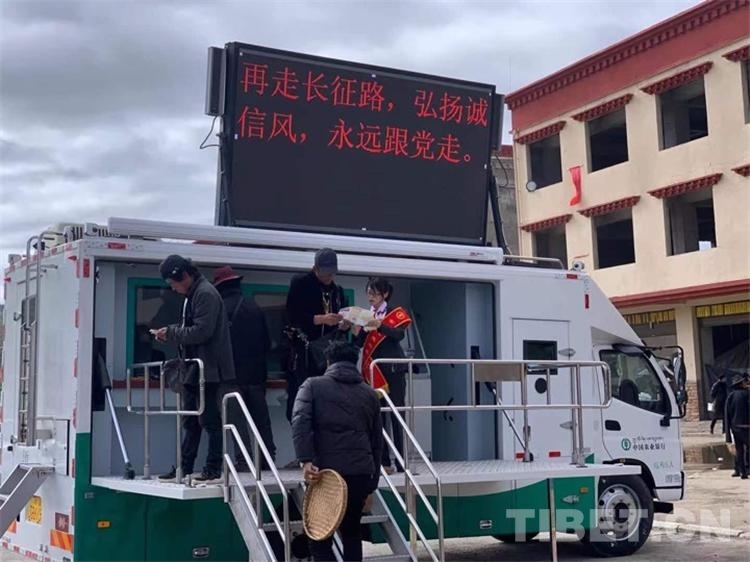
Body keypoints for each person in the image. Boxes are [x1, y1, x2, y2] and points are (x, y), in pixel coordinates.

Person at [291, 341, 382, 562]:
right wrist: (372, 483)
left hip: (326, 474)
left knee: (320, 538)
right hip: (360, 473)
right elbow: (377, 441)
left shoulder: (312, 386)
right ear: (354, 362)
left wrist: (305, 460)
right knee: (352, 532)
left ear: (328, 361)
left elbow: (300, 422)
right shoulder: (369, 393)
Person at [154, 255, 236, 483]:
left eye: (172, 283)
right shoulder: (195, 293)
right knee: (190, 420)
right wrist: (170, 332)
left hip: (208, 368)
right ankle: (184, 467)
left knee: (209, 419)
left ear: (183, 276)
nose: (172, 288)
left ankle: (212, 469)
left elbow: (202, 331)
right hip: (195, 368)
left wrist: (171, 333)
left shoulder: (205, 294)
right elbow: (194, 329)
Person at [213, 265, 277, 468]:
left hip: (230, 377)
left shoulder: (218, 310)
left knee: (237, 422)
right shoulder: (254, 307)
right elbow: (267, 343)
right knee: (261, 422)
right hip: (256, 376)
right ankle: (267, 459)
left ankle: (244, 461)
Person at [352, 277, 411, 474]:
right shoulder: (366, 314)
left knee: (397, 414)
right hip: (374, 371)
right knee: (378, 416)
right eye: (369, 293)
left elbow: (399, 335)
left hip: (393, 369)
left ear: (385, 294)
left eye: (375, 293)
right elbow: (359, 344)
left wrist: (379, 325)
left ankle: (401, 461)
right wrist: (356, 330)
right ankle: (384, 461)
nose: (371, 297)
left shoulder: (395, 312)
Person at [284, 248, 349, 422]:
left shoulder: (338, 292)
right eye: (325, 273)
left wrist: (344, 325)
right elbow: (291, 315)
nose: (329, 277)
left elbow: (341, 327)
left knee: (328, 400)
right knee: (303, 396)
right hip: (305, 352)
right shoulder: (301, 284)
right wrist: (320, 319)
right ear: (315, 268)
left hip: (329, 353)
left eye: (332, 273)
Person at [725, 373, 749, 479]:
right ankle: (747, 469)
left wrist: (727, 432)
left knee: (739, 450)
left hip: (735, 427)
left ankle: (742, 472)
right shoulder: (747, 394)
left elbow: (727, 415)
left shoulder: (730, 396)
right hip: (747, 427)